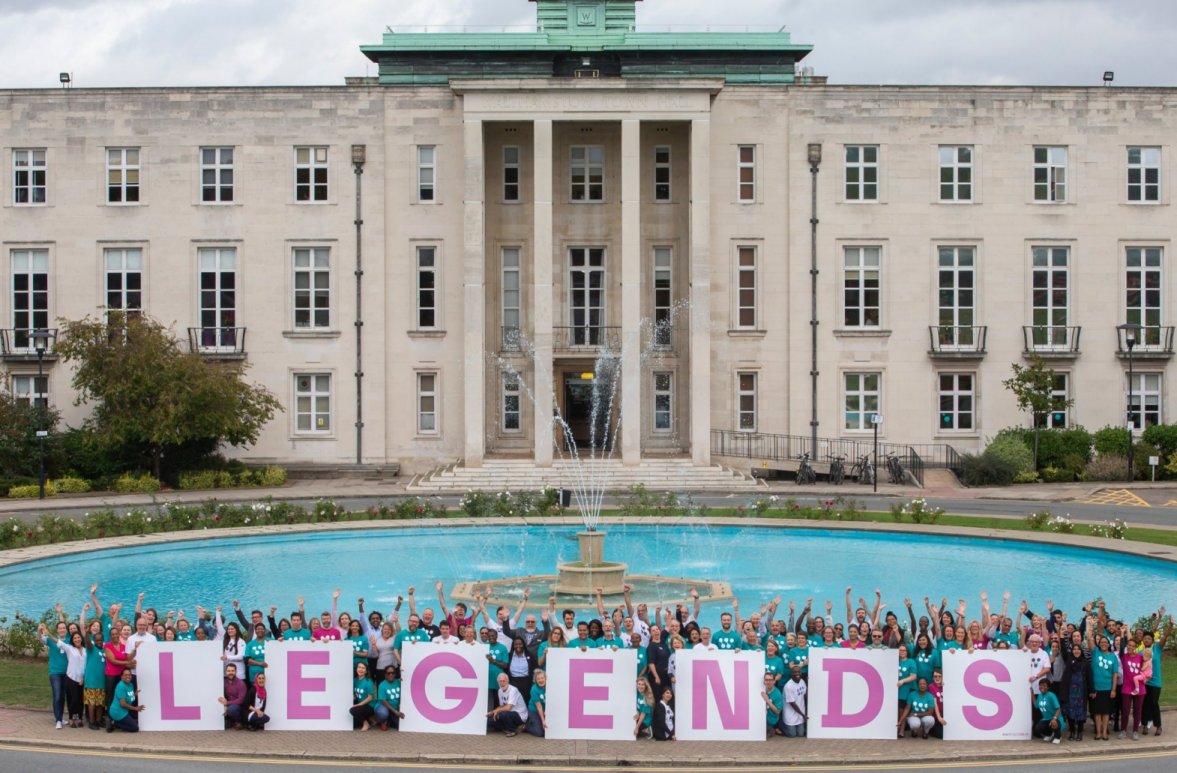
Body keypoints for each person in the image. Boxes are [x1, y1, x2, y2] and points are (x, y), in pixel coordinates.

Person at [1090, 635, 1120, 741]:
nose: (1103, 644)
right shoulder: (1095, 652)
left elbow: (1115, 674)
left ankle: (1104, 732)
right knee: (1097, 712)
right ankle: (1098, 733)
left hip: (1108, 688)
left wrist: (1114, 689)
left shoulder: (1113, 656)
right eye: (1101, 642)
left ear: (1108, 644)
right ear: (1099, 644)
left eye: (1105, 642)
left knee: (1106, 712)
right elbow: (1089, 638)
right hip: (1096, 688)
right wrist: (1090, 627)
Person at [1059, 642, 1091, 741]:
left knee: (1081, 712)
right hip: (1070, 691)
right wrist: (1061, 637)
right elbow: (1064, 651)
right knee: (1070, 711)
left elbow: (1089, 677)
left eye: (1078, 649)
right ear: (1072, 651)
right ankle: (1072, 731)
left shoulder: (1085, 662)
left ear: (1081, 651)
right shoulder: (1069, 660)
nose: (1076, 651)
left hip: (1081, 691)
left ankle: (1080, 732)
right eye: (1074, 649)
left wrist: (1092, 690)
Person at [1119, 636, 1145, 739]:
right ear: (1127, 646)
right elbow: (1121, 648)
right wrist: (1122, 634)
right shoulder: (1123, 656)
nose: (1130, 647)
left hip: (1139, 688)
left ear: (1136, 647)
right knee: (1125, 711)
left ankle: (1135, 731)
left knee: (1137, 711)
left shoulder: (1140, 657)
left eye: (1133, 646)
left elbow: (1147, 667)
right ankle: (1123, 730)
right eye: (1129, 645)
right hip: (1127, 688)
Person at [83, 628, 107, 730]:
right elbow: (88, 642)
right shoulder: (91, 649)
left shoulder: (105, 650)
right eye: (97, 640)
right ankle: (91, 722)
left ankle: (98, 720)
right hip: (91, 681)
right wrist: (87, 633)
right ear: (94, 640)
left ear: (103, 640)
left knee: (100, 703)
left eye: (100, 640)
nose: (99, 642)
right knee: (92, 702)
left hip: (102, 681)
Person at [106, 668, 144, 733]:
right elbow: (123, 704)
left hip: (125, 711)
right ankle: (113, 723)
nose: (128, 676)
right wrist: (135, 708)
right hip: (117, 712)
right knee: (135, 728)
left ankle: (118, 722)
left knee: (138, 721)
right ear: (122, 677)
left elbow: (129, 697)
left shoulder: (130, 685)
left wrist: (134, 694)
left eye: (129, 675)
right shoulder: (121, 686)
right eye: (125, 675)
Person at [1033, 677, 1066, 744]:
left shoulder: (1051, 695)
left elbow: (1058, 708)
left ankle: (1058, 736)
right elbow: (1036, 705)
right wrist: (1032, 693)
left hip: (1056, 719)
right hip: (1046, 719)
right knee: (1038, 728)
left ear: (1048, 687)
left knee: (1054, 723)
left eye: (1044, 685)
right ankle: (1049, 735)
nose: (1042, 687)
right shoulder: (1040, 695)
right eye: (1040, 685)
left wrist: (1054, 718)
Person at [373, 666, 405, 730]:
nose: (391, 675)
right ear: (385, 675)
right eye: (388, 673)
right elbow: (383, 701)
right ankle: (382, 721)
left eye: (393, 673)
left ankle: (389, 720)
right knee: (383, 714)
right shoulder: (382, 685)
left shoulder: (398, 682)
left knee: (399, 725)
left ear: (395, 674)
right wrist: (396, 712)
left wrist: (404, 680)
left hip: (394, 708)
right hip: (383, 707)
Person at [219, 663, 248, 729]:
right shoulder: (223, 682)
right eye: (228, 671)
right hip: (227, 703)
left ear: (236, 672)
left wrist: (227, 703)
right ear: (226, 672)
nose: (230, 673)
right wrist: (224, 704)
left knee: (232, 709)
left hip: (238, 706)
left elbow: (240, 700)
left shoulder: (241, 683)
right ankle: (230, 720)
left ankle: (238, 721)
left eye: (232, 671)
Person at [783, 666, 807, 737]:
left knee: (800, 734)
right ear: (791, 674)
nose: (797, 674)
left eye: (799, 672)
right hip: (790, 715)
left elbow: (804, 695)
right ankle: (780, 725)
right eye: (795, 672)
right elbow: (792, 703)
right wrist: (803, 715)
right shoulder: (788, 686)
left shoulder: (802, 681)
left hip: (800, 714)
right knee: (792, 735)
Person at [351, 662, 376, 730]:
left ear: (366, 671)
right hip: (361, 705)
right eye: (359, 667)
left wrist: (358, 705)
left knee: (352, 710)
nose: (360, 669)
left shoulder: (368, 682)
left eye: (363, 668)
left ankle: (366, 723)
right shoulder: (355, 680)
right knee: (353, 725)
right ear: (356, 669)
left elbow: (370, 698)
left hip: (370, 706)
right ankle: (369, 720)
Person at [525, 669, 547, 737]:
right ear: (536, 680)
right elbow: (539, 707)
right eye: (538, 679)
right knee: (540, 733)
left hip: (544, 711)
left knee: (547, 730)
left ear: (545, 678)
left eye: (542, 678)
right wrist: (543, 721)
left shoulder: (549, 687)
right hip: (534, 710)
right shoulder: (534, 689)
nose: (540, 680)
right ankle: (527, 726)